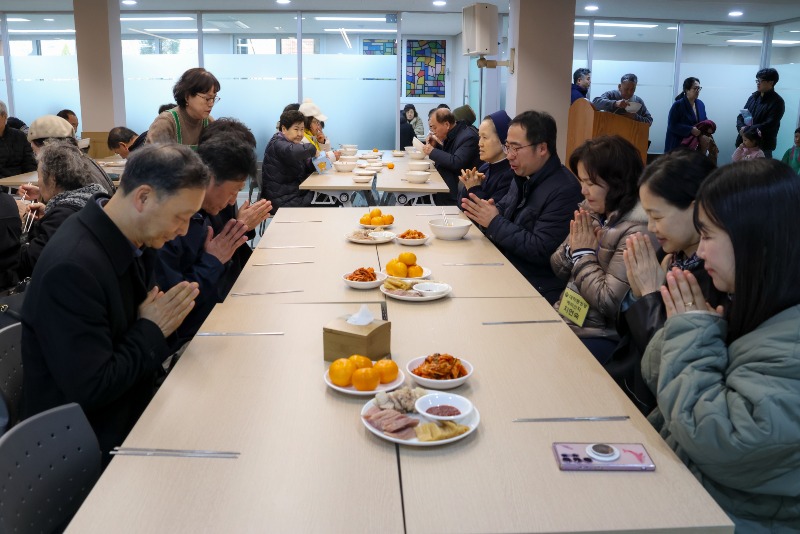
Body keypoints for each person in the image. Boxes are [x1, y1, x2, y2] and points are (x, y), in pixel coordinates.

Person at [20, 143, 208, 463]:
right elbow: (93, 388)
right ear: (143, 198)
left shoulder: (134, 238)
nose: (183, 230)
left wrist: (157, 325)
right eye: (181, 217)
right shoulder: (73, 267)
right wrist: (152, 327)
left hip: (131, 406)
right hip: (83, 444)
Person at [642, 159, 800, 532]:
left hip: (729, 517)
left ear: (755, 240)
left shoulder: (790, 342)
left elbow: (723, 440)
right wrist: (686, 327)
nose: (701, 252)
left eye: (709, 236)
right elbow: (655, 375)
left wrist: (691, 332)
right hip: (691, 489)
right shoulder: (746, 301)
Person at [608, 149, 724, 414]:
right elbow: (626, 331)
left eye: (657, 217)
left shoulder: (717, 275)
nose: (650, 227)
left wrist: (650, 296)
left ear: (698, 209)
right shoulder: (671, 254)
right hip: (628, 380)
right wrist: (636, 296)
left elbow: (674, 361)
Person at [156, 131, 268, 350]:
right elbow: (175, 305)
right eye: (233, 191)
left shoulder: (203, 212)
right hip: (189, 339)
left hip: (213, 313)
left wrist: (232, 238)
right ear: (209, 178)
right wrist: (213, 260)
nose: (233, 201)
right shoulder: (173, 224)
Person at [550, 136, 653, 364]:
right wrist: (574, 250)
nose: (583, 190)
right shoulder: (594, 211)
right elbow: (556, 266)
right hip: (569, 317)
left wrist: (583, 254)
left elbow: (608, 301)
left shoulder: (637, 230)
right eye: (582, 181)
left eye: (591, 183)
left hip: (600, 335)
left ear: (618, 181)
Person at [461, 110, 582, 303]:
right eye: (507, 147)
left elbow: (541, 250)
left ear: (542, 148)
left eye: (516, 148)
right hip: (507, 269)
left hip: (535, 288)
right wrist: (490, 212)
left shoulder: (565, 190)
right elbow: (502, 211)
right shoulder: (523, 177)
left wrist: (493, 221)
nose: (509, 155)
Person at [17, 143, 107, 279]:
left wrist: (16, 223)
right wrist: (49, 212)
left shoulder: (63, 217)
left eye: (39, 175)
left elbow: (30, 263)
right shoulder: (94, 198)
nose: (38, 182)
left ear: (52, 178)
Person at [26, 115, 115, 195]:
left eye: (35, 152)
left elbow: (67, 205)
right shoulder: (83, 161)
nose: (37, 158)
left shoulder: (64, 170)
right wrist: (40, 193)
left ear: (47, 147)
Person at [260, 109, 317, 213]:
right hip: (282, 201)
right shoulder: (277, 143)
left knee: (327, 197)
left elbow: (305, 167)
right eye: (296, 129)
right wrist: (313, 150)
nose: (300, 134)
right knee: (329, 200)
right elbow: (292, 152)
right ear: (284, 129)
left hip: (293, 194)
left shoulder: (291, 144)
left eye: (302, 129)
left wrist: (315, 162)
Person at [147, 67, 219, 148]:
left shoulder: (209, 122)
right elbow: (154, 155)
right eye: (207, 98)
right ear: (187, 96)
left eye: (214, 98)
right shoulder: (165, 123)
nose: (211, 104)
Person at [422, 107, 480, 205]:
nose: (433, 132)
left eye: (435, 128)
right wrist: (436, 146)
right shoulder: (455, 134)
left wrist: (433, 151)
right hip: (448, 186)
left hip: (457, 194)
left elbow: (456, 162)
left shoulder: (468, 137)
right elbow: (449, 155)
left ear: (447, 125)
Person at [457, 110, 513, 205]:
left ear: (503, 140)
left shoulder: (509, 175)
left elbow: (490, 211)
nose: (480, 143)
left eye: (485, 137)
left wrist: (473, 188)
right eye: (479, 137)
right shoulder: (484, 167)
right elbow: (462, 205)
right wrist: (468, 184)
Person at [735, 67, 784, 159]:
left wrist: (747, 130)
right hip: (744, 143)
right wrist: (741, 128)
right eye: (757, 80)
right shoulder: (753, 97)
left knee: (761, 168)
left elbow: (769, 124)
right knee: (740, 168)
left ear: (771, 82)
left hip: (762, 147)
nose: (758, 83)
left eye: (761, 81)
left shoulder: (777, 101)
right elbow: (741, 116)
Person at [664, 77, 707, 152]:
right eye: (695, 88)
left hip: (695, 144)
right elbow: (672, 125)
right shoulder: (678, 105)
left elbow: (704, 119)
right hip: (679, 143)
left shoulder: (700, 104)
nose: (697, 91)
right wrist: (690, 129)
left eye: (699, 88)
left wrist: (708, 126)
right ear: (687, 90)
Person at [0, 100, 37, 178]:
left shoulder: (19, 136)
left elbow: (30, 163)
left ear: (4, 116)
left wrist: (29, 181)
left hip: (21, 181)